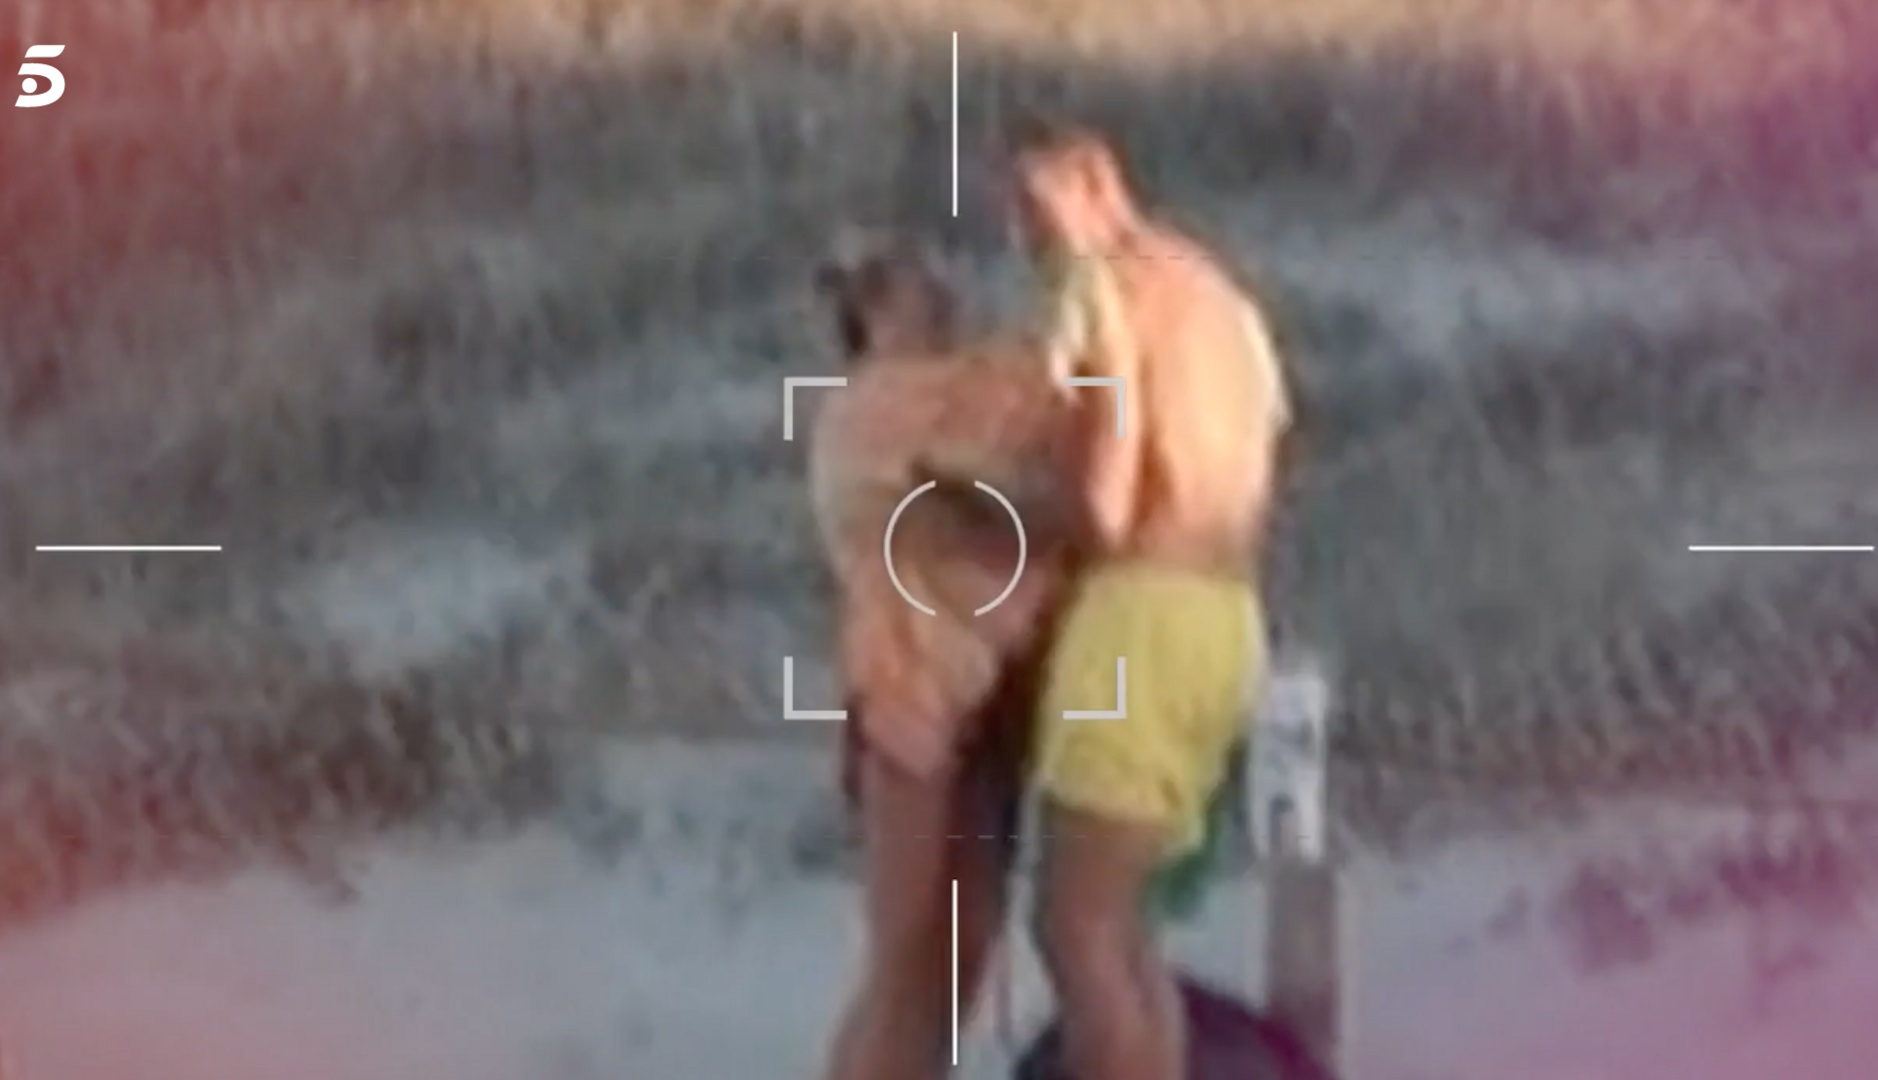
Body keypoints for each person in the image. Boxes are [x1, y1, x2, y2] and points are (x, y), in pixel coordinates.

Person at [1006, 118, 1294, 1080]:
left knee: (1072, 924)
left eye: (1034, 210)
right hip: (1228, 620)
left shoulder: (1102, 286)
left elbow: (1104, 500)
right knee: (1126, 930)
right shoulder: (1224, 303)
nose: (1028, 239)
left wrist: (995, 513)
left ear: (1095, 186)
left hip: (1139, 618)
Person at [806, 239, 1093, 1080]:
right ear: (871, 317)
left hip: (990, 703)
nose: (939, 297)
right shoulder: (868, 412)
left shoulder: (967, 386)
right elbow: (991, 481)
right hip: (910, 702)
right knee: (908, 957)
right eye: (910, 289)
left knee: (962, 949)